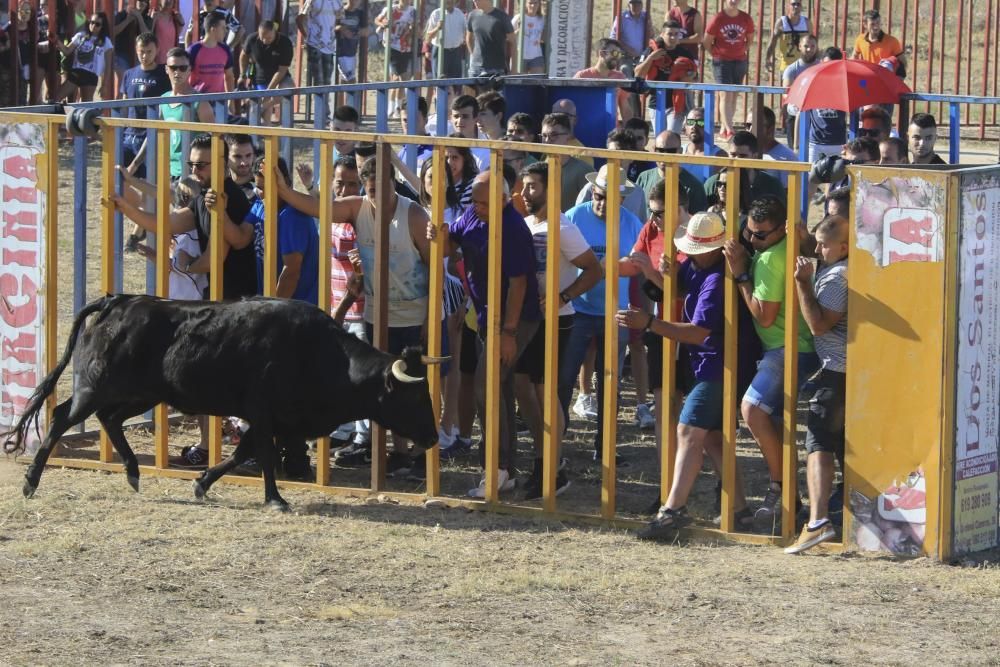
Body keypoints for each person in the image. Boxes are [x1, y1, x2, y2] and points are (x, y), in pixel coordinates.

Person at [622, 210, 754, 538]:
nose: (691, 255)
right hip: (708, 363)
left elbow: (698, 332)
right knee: (711, 439)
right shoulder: (700, 266)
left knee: (687, 430)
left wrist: (650, 323)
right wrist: (659, 273)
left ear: (714, 249)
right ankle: (739, 511)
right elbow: (676, 285)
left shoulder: (715, 280)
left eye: (696, 249)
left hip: (718, 365)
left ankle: (672, 511)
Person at [429, 172, 541, 496]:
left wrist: (508, 333)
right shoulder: (473, 214)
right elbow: (454, 245)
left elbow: (519, 284)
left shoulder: (513, 228)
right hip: (486, 317)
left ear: (503, 200)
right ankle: (504, 470)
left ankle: (495, 469)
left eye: (483, 202)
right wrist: (441, 236)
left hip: (513, 320)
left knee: (484, 387)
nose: (477, 207)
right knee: (498, 389)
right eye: (474, 201)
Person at [722, 197, 818, 533]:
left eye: (760, 235)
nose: (752, 240)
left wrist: (740, 274)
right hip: (790, 347)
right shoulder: (781, 247)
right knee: (774, 424)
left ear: (781, 230)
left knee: (752, 410)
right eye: (749, 233)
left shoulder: (770, 260)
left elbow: (764, 316)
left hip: (787, 348)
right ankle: (792, 502)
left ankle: (779, 487)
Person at [516, 162, 603, 499]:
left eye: (533, 186)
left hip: (558, 319)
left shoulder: (562, 228)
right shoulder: (526, 223)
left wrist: (563, 296)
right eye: (524, 185)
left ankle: (550, 467)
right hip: (529, 319)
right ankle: (546, 460)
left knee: (544, 393)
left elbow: (594, 270)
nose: (525, 192)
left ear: (550, 190)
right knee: (524, 389)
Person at [560, 165, 645, 463]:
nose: (600, 203)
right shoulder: (573, 217)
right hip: (578, 309)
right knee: (564, 378)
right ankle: (556, 444)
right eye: (597, 196)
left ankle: (605, 447)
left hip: (614, 313)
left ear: (621, 199)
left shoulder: (633, 223)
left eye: (607, 198)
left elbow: (640, 263)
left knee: (611, 382)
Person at [112, 133, 258, 300]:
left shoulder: (228, 198)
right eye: (192, 164)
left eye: (201, 165)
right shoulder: (204, 195)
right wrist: (125, 207)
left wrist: (186, 265)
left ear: (221, 163)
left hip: (238, 301)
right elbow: (168, 222)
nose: (194, 170)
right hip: (219, 297)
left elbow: (212, 260)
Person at [786, 215, 849, 554]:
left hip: (835, 372)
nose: (819, 251)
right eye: (817, 243)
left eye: (825, 246)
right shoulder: (841, 263)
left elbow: (818, 325)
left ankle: (818, 521)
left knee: (818, 442)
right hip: (841, 371)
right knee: (837, 445)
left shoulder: (838, 277)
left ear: (844, 247)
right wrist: (803, 241)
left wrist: (802, 283)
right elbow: (819, 246)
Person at [125, 46, 215, 180]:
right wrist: (134, 165)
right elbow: (153, 134)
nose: (177, 72)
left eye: (182, 68)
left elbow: (215, 138)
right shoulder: (164, 99)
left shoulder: (199, 102)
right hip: (171, 172)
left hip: (194, 174)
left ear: (189, 70)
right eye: (173, 68)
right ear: (167, 69)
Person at [247, 157, 319, 304]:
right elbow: (240, 238)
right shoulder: (261, 205)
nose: (262, 194)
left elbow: (291, 272)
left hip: (297, 313)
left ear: (284, 182)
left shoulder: (292, 216)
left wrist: (272, 311)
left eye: (268, 187)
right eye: (259, 188)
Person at [119, 32, 171, 181]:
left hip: (152, 135)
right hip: (129, 135)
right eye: (142, 51)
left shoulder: (164, 73)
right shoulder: (129, 74)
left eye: (149, 52)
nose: (145, 56)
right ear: (136, 50)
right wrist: (120, 130)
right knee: (121, 177)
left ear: (157, 50)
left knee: (151, 182)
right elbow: (124, 104)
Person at [703, 0, 754, 139]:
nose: (733, 1)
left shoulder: (745, 18)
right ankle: (730, 130)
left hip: (740, 61)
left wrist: (742, 50)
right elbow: (707, 41)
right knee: (725, 94)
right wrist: (716, 54)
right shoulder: (718, 18)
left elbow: (750, 38)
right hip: (722, 62)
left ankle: (724, 128)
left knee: (733, 95)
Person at [634, 130, 708, 217]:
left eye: (671, 151)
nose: (665, 155)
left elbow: (697, 223)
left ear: (680, 152)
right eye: (660, 150)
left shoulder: (694, 186)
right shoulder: (643, 178)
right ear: (654, 150)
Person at [704, 131, 785, 209]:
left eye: (742, 156)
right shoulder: (714, 183)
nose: (737, 160)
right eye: (733, 155)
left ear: (755, 156)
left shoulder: (772, 186)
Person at [240, 20, 294, 122]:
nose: (264, 41)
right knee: (265, 116)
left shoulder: (285, 42)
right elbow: (243, 56)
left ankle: (263, 107)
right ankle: (262, 129)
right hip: (259, 78)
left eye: (268, 38)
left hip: (280, 78)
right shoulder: (252, 39)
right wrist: (242, 74)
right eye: (262, 37)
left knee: (289, 88)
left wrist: (268, 92)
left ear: (275, 32)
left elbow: (281, 71)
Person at [539, 112, 592, 213]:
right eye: (544, 135)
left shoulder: (583, 171)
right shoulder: (539, 167)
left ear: (568, 137)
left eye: (553, 135)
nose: (547, 140)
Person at [54, 11, 113, 102]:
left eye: (97, 24)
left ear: (102, 26)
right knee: (56, 98)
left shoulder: (106, 42)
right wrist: (57, 41)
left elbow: (108, 66)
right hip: (76, 72)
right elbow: (67, 51)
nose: (93, 26)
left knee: (85, 105)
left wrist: (104, 85)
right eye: (92, 22)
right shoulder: (81, 35)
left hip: (91, 75)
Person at [296, 0, 340, 122]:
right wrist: (307, 37)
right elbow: (300, 19)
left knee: (326, 81)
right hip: (315, 45)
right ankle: (321, 114)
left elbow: (338, 20)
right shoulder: (312, 1)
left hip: (330, 46)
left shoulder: (337, 2)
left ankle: (325, 113)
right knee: (318, 80)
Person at [573, 37, 633, 121]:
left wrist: (629, 131)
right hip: (586, 127)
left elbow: (625, 108)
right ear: (602, 54)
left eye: (619, 54)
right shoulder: (582, 76)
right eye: (615, 53)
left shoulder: (620, 78)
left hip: (611, 130)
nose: (617, 57)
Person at [375, 0, 416, 118]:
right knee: (399, 78)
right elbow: (377, 20)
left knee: (401, 79)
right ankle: (393, 107)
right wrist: (383, 24)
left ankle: (396, 107)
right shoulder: (391, 9)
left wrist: (411, 29)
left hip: (405, 47)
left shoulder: (412, 11)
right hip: (392, 46)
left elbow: (415, 27)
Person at [749, 106, 797, 188]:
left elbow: (789, 193)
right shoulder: (743, 152)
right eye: (747, 125)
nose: (750, 130)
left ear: (770, 129)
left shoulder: (787, 157)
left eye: (756, 125)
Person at [188, 11, 235, 93]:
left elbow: (229, 76)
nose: (226, 31)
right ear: (213, 29)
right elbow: (184, 76)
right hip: (197, 101)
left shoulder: (225, 50)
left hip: (219, 101)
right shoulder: (193, 50)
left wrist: (230, 101)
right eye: (223, 28)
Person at [466, 0, 514, 77]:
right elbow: (468, 39)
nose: (474, 2)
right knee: (471, 89)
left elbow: (513, 42)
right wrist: (473, 56)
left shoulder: (502, 17)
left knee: (496, 89)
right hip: (475, 69)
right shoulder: (472, 15)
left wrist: (513, 69)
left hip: (496, 69)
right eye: (473, 0)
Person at [764, 0, 811, 76]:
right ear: (788, 6)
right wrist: (767, 59)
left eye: (798, 4)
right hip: (786, 66)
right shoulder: (782, 22)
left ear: (801, 7)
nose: (796, 6)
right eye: (793, 4)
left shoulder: (806, 22)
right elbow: (773, 42)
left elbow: (812, 43)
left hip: (803, 65)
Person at [425, 0, 466, 79]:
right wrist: (437, 28)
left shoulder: (460, 13)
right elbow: (428, 37)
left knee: (456, 82)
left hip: (456, 52)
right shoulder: (436, 13)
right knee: (439, 82)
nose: (448, 1)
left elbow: (466, 31)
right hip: (440, 52)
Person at [112, 0, 153, 77]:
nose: (142, 3)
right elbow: (113, 32)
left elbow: (148, 37)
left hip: (140, 55)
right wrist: (127, 20)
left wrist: (139, 17)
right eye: (140, 1)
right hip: (121, 53)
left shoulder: (147, 19)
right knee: (124, 78)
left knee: (137, 79)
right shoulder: (122, 14)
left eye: (145, 1)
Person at [450, 94, 491, 171]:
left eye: (465, 116)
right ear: (450, 118)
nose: (460, 121)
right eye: (456, 116)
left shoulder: (486, 153)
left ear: (476, 118)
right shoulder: (445, 146)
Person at [551, 98, 595, 167]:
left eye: (564, 115)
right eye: (554, 115)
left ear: (575, 120)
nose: (558, 119)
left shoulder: (583, 155)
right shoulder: (548, 145)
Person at [610, 0, 654, 65]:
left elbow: (651, 36)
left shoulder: (645, 17)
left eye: (638, 3)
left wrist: (650, 28)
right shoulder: (621, 18)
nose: (636, 6)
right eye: (633, 3)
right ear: (628, 5)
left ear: (642, 5)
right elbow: (613, 38)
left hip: (642, 56)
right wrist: (627, 49)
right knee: (626, 69)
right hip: (625, 56)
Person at [335, 0, 367, 83]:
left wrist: (356, 32)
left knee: (344, 80)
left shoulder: (360, 13)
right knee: (351, 79)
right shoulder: (340, 11)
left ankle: (341, 96)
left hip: (352, 51)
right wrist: (341, 29)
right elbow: (332, 26)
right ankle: (354, 96)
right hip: (340, 51)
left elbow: (366, 31)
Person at [512, 0, 545, 73]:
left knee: (537, 80)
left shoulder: (542, 19)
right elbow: (507, 37)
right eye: (530, 3)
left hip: (536, 55)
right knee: (519, 81)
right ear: (525, 4)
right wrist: (517, 31)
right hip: (520, 55)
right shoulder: (518, 18)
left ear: (539, 4)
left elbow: (543, 38)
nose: (533, 6)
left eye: (535, 3)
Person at [151, 0, 185, 65]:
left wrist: (181, 23)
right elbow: (149, 33)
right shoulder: (155, 15)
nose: (168, 1)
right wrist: (152, 20)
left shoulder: (174, 17)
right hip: (157, 60)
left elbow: (177, 35)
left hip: (171, 59)